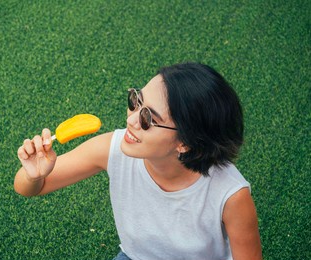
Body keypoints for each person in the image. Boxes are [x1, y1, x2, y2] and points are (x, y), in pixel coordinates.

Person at [15, 62, 262, 260]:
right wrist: (34, 174)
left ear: (185, 142)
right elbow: (28, 188)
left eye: (148, 118)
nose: (132, 120)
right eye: (136, 101)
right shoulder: (112, 148)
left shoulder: (230, 195)